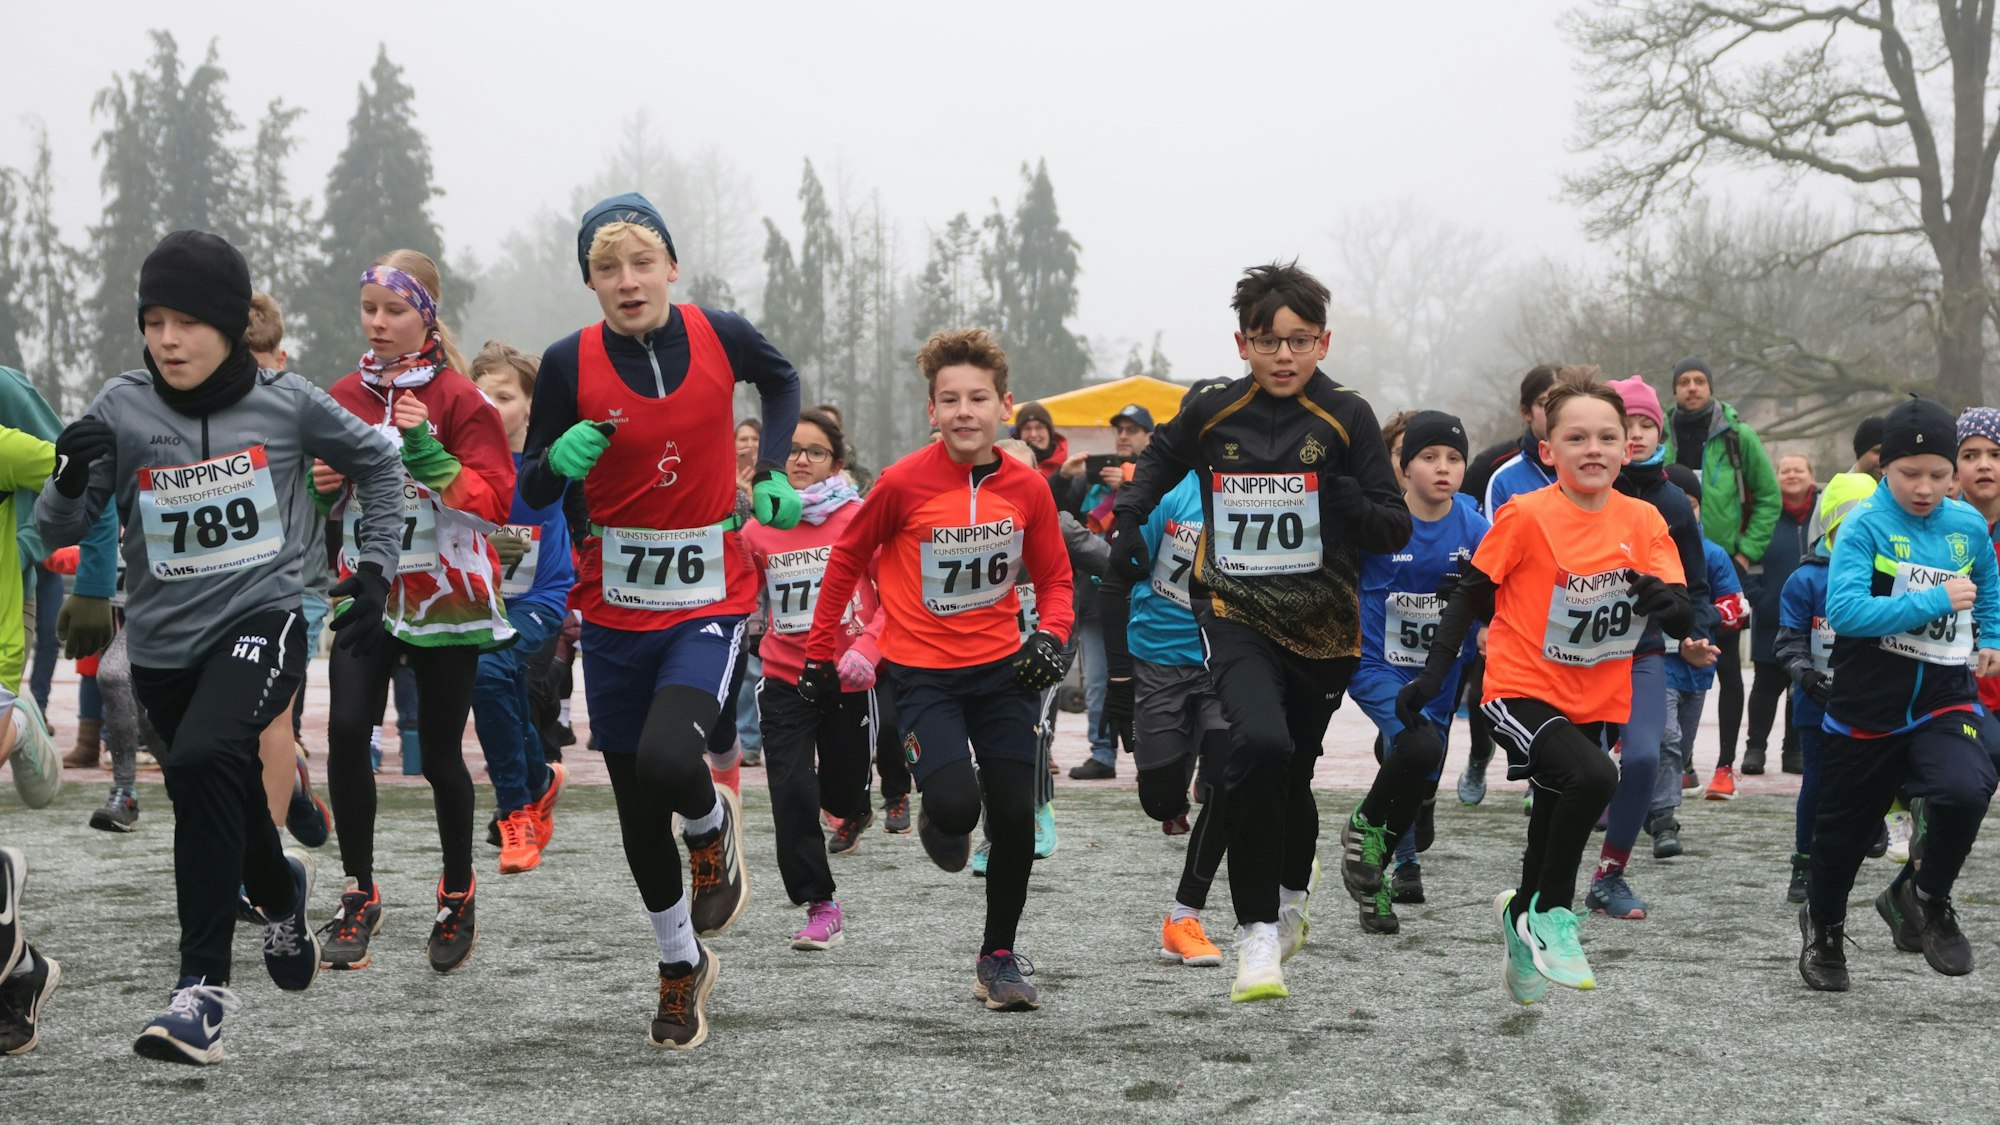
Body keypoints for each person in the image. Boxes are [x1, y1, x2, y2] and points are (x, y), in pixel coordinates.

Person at [39, 229, 406, 1063]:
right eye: (154, 321)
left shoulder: (289, 401)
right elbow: (53, 528)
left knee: (206, 756)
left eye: (187, 322)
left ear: (233, 325)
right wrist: (67, 479)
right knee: (215, 775)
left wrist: (376, 565)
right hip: (164, 644)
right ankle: (281, 893)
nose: (167, 339)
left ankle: (199, 988)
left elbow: (381, 466)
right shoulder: (121, 404)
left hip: (266, 615)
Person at [518, 193, 801, 1048]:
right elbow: (531, 489)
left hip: (709, 596)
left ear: (671, 267)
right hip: (612, 609)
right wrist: (551, 462)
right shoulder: (569, 361)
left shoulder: (723, 333)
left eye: (643, 262)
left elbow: (781, 379)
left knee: (677, 758)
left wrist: (775, 469)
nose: (628, 280)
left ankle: (713, 827)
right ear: (591, 282)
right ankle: (681, 965)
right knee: (639, 804)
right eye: (608, 268)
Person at [1111, 262, 1411, 1003]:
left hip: (1323, 628)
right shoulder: (1213, 408)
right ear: (1242, 343)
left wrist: (1346, 502)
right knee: (1259, 744)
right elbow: (1160, 457)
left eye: (1300, 340)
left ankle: (1288, 896)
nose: (1284, 355)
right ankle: (1255, 934)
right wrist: (1126, 523)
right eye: (1268, 341)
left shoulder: (1349, 416)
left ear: (1323, 341)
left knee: (1292, 771)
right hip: (1232, 610)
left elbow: (1392, 522)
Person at [802, 328, 1073, 1013]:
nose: (963, 411)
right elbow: (845, 559)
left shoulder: (1027, 488)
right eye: (949, 398)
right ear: (931, 410)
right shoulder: (901, 482)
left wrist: (1051, 634)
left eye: (977, 397)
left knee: (1014, 816)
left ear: (1003, 405)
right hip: (923, 677)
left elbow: (1058, 579)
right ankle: (938, 812)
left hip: (1002, 674)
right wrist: (818, 652)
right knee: (958, 806)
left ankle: (997, 958)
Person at [1401, 377, 1691, 1002]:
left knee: (1556, 813)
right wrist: (1432, 678)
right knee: (1595, 779)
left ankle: (1520, 916)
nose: (1594, 448)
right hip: (1519, 687)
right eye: (1576, 437)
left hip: (1595, 697)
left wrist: (1671, 604)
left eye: (1608, 437)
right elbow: (1470, 598)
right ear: (1547, 449)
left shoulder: (1644, 519)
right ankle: (1552, 917)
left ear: (1627, 449)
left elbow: (1684, 611)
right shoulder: (1526, 515)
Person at [313, 250, 516, 977]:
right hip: (370, 587)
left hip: (445, 594)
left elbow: (494, 505)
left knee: (436, 755)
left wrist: (429, 453)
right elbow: (318, 505)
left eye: (394, 309)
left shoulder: (461, 397)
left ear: (425, 313)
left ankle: (457, 891)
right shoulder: (342, 393)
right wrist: (323, 485)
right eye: (369, 307)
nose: (378, 322)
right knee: (344, 733)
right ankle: (359, 889)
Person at [1799, 397, 2000, 992]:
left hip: (1944, 696)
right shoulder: (1864, 524)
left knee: (1969, 785)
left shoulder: (1965, 525)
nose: (1925, 488)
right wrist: (1936, 601)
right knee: (1839, 839)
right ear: (1883, 466)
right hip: (1867, 705)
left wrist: (1991, 635)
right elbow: (1846, 610)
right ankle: (1826, 929)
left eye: (1941, 474)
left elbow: (1986, 584)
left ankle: (1924, 896)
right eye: (1910, 474)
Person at [1098, 377, 1236, 965]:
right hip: (1158, 657)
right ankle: (1177, 785)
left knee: (1232, 769)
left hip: (1226, 662)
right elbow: (1115, 584)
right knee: (1160, 800)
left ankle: (1187, 914)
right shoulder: (1166, 495)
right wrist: (1120, 683)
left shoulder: (1254, 492)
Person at [1344, 409, 1486, 933]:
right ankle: (1377, 878)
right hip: (1379, 667)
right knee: (1410, 745)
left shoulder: (1475, 527)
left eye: (1454, 458)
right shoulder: (1379, 524)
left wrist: (1476, 602)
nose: (1443, 467)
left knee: (1419, 767)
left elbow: (1503, 595)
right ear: (1403, 468)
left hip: (1443, 674)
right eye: (1429, 457)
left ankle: (1390, 832)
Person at [745, 409, 881, 949]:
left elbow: (895, 599)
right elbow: (743, 595)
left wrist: (868, 648)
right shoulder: (759, 526)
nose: (801, 460)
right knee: (791, 791)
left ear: (836, 463)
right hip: (785, 675)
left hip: (850, 678)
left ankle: (853, 805)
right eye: (792, 451)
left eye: (815, 451)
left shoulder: (862, 519)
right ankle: (820, 904)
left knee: (843, 797)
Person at [1585, 375, 1716, 921]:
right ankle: (1541, 870)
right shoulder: (1566, 494)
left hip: (1641, 651)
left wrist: (1692, 628)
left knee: (1641, 756)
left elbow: (1697, 588)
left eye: (1644, 425)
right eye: (1625, 426)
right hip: (1568, 657)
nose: (1635, 436)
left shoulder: (1669, 504)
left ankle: (1610, 874)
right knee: (1578, 772)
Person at [469, 342, 571, 876]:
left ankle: (516, 811)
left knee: (489, 670)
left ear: (531, 407)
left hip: (537, 600)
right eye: (479, 393)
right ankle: (537, 782)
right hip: (473, 602)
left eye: (503, 396)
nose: (488, 404)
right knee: (494, 682)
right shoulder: (457, 462)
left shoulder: (553, 462)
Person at [1663, 356, 1781, 784]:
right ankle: (1683, 761)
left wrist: (1744, 554)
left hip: (1723, 564)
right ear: (1674, 390)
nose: (1692, 387)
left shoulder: (1738, 436)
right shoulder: (1661, 434)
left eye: (1699, 380)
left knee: (1727, 665)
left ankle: (1724, 766)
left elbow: (1769, 497)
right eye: (1683, 381)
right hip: (1670, 562)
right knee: (1670, 657)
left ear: (1710, 387)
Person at [1775, 473, 1874, 904]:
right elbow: (1789, 641)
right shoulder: (1806, 580)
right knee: (1816, 783)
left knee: (1870, 779)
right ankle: (1804, 860)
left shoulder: (1885, 573)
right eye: (1847, 521)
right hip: (1818, 703)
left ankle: (1868, 832)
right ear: (1829, 524)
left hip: (1873, 702)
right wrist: (1807, 678)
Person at [1645, 463, 1741, 859]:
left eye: (1689, 504)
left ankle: (1649, 803)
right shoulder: (1644, 546)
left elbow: (1736, 605)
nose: (1679, 511)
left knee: (1678, 747)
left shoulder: (1713, 554)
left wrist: (1700, 627)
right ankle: (1665, 819)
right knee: (1663, 740)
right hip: (1655, 664)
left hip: (1697, 670)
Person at [1062, 403, 1153, 780]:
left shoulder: (1156, 477)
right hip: (1097, 600)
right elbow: (1056, 520)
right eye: (1119, 429)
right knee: (1098, 684)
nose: (1124, 436)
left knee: (1152, 683)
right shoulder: (1089, 482)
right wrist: (1065, 479)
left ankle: (1154, 758)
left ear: (1150, 437)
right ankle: (1103, 755)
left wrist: (1130, 486)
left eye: (1133, 429)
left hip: (1146, 599)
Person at [1737, 452, 1819, 777]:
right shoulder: (1763, 515)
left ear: (1811, 476)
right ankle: (1755, 748)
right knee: (1766, 687)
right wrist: (1760, 597)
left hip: (1813, 623)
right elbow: (1750, 561)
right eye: (1785, 470)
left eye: (1799, 469)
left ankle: (1793, 751)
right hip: (1770, 619)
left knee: (1800, 687)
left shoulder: (1823, 514)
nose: (1792, 475)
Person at [1479, 366, 1561, 516]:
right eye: (1544, 403)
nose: (1554, 411)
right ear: (1526, 412)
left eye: (1562, 401)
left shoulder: (1594, 466)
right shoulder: (1499, 474)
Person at [1012, 401, 1068, 480]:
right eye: (1027, 428)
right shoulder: (1006, 466)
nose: (1033, 434)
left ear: (1049, 431)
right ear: (1018, 434)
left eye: (1039, 427)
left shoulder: (1068, 467)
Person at [1850, 416, 1886, 480]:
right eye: (1878, 452)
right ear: (1860, 452)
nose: (1885, 459)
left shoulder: (1897, 488)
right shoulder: (1841, 488)